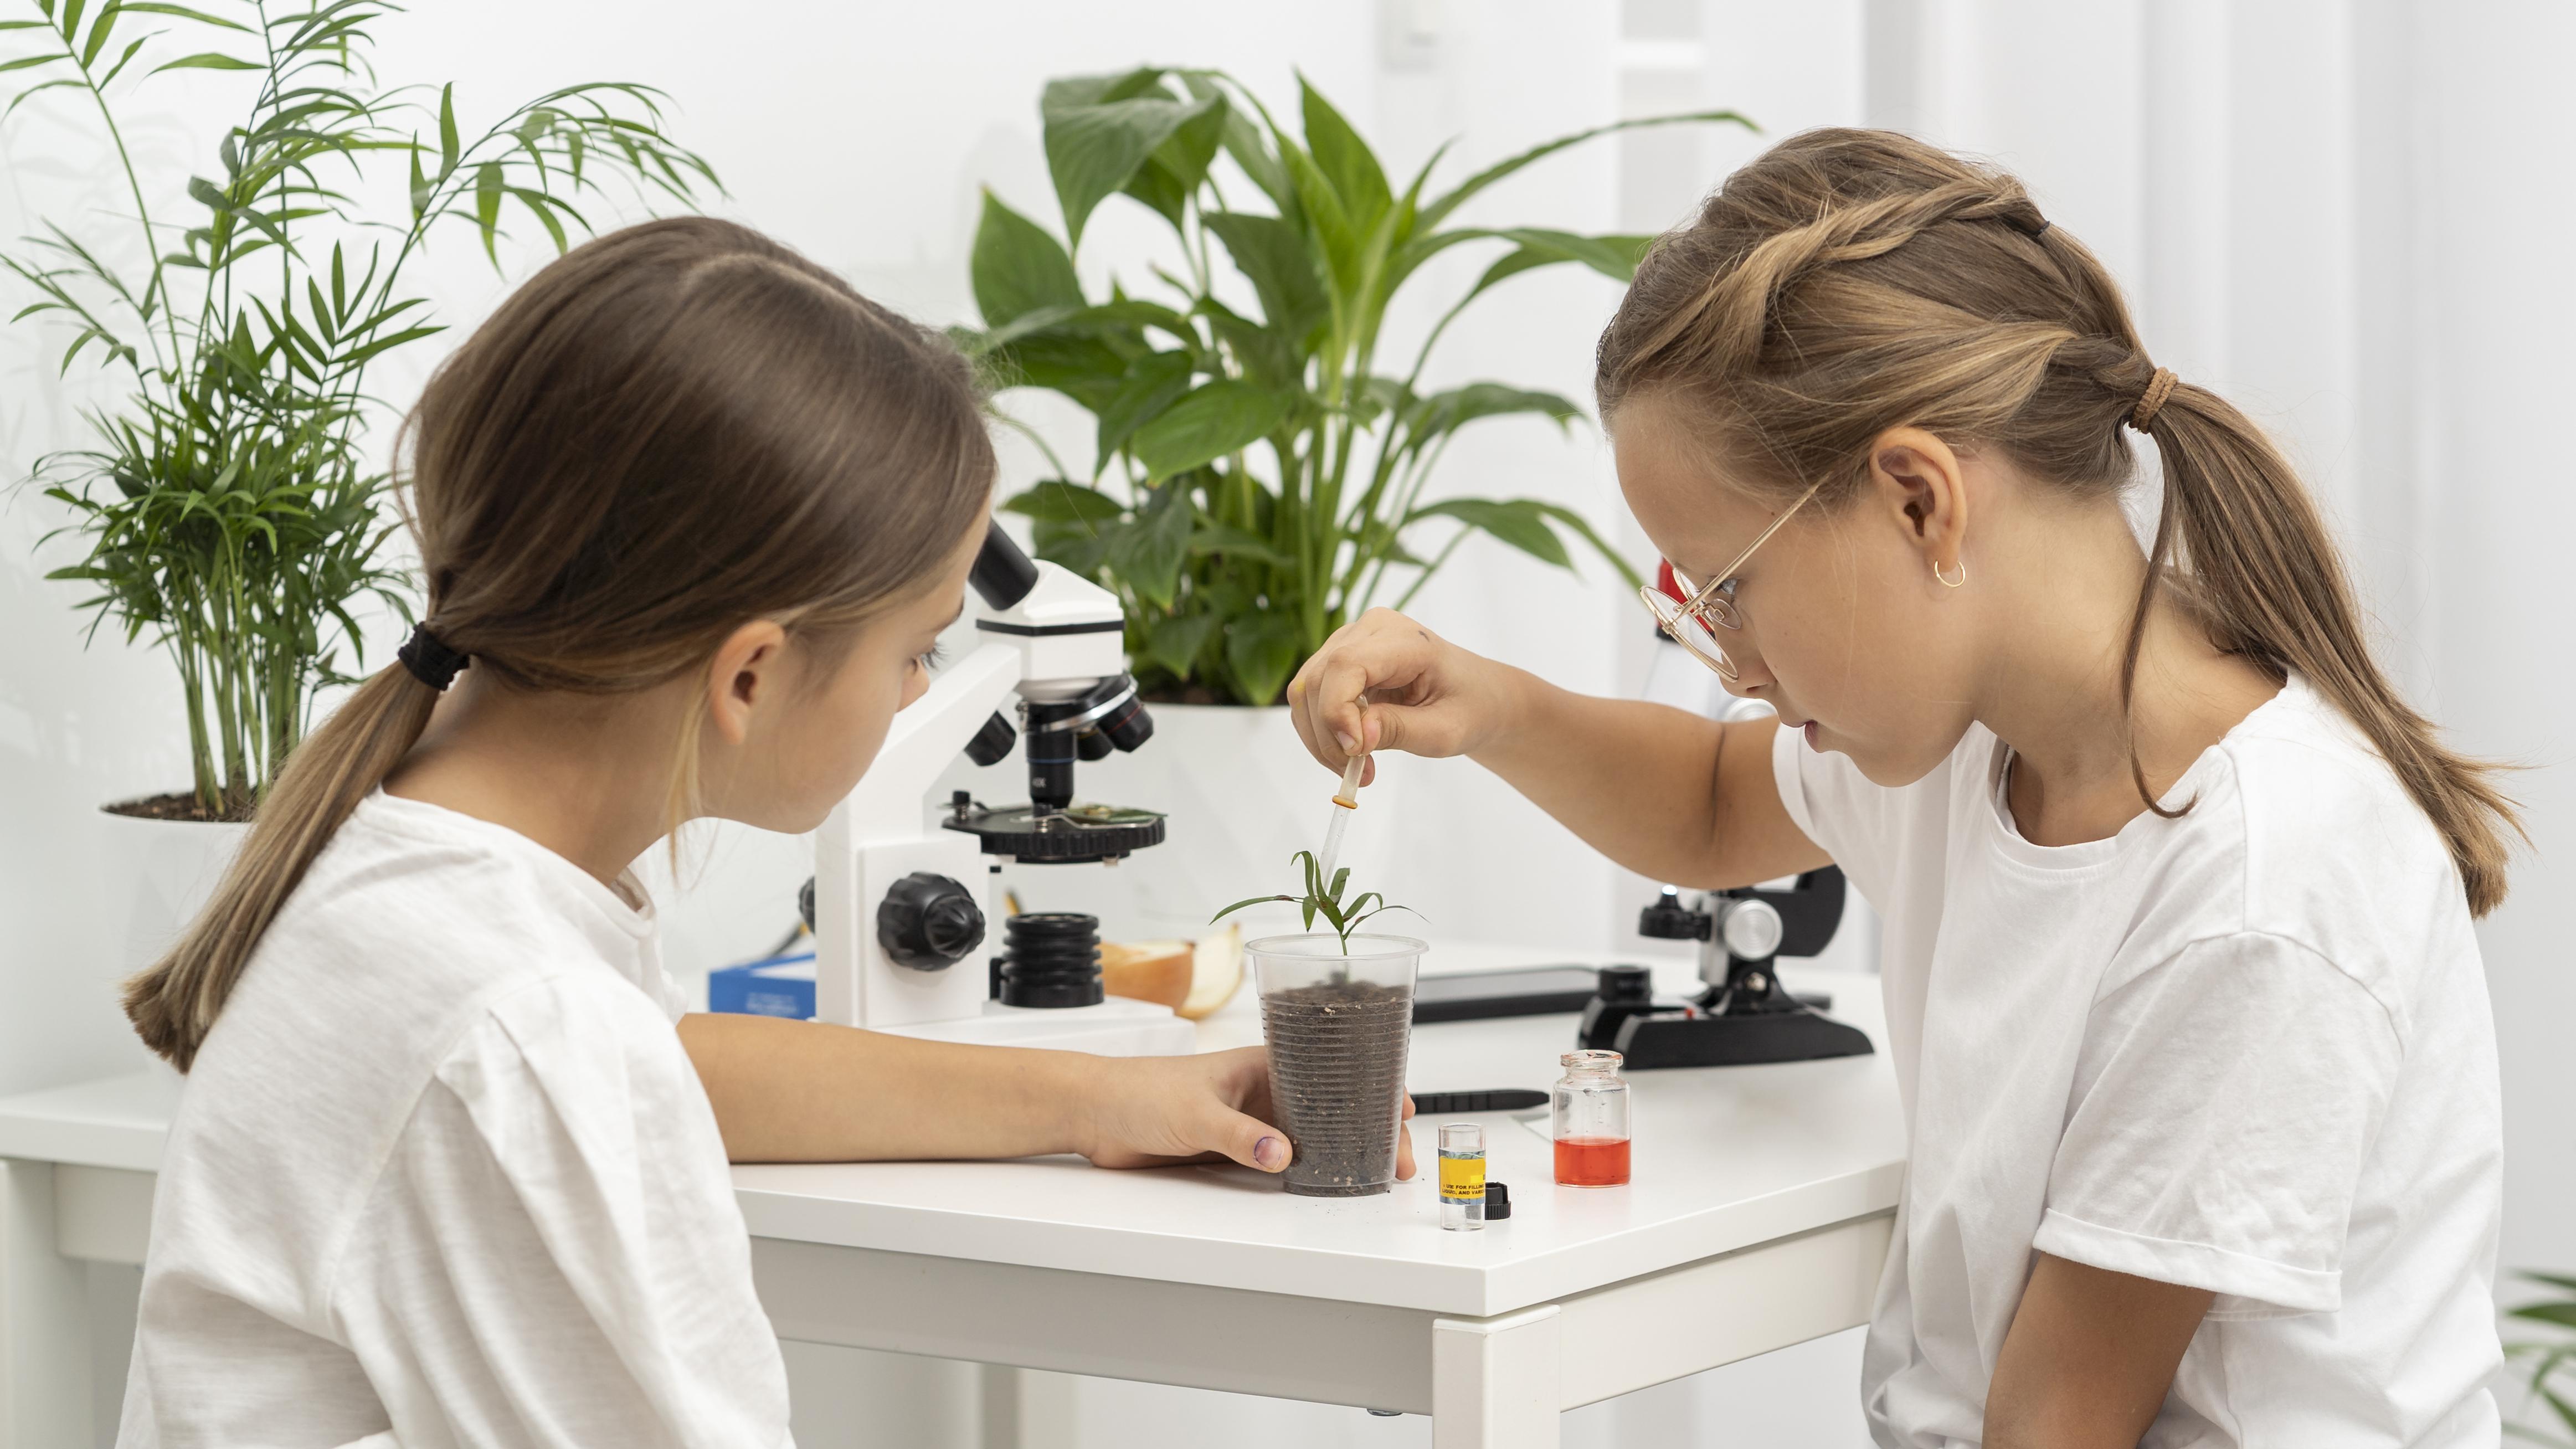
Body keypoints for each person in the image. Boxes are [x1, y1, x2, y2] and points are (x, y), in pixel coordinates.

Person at [1291, 129, 2515, 1448]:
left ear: (1921, 502)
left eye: (1727, 589)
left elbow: (2058, 1421)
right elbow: (1708, 805)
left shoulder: (2261, 884)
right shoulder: (1975, 735)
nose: (1728, 662)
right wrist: (1489, 705)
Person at [115, 217, 1409, 1447]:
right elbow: (589, 1073)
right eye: (916, 649)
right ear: (750, 675)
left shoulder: (412, 876)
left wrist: (1097, 1098)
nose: (917, 690)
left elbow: (674, 1065)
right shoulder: (526, 1028)